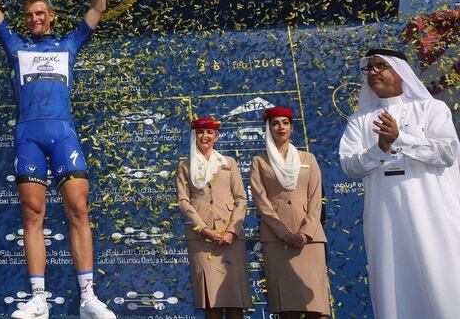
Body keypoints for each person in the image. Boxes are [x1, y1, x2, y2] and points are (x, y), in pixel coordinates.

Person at [0, 0, 115, 319]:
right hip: (28, 136)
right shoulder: (15, 46)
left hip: (62, 133)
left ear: (51, 16)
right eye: (30, 15)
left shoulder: (69, 44)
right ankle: (39, 298)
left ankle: (87, 296)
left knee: (77, 209)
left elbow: (97, 9)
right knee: (32, 214)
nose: (35, 19)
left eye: (42, 13)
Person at [339, 48, 460, 318]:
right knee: (394, 282)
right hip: (386, 215)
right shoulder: (359, 121)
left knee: (442, 278)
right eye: (369, 68)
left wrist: (400, 139)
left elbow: (447, 153)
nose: (373, 73)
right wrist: (379, 149)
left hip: (431, 210)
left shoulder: (431, 108)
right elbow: (349, 164)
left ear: (400, 72)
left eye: (380, 66)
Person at [249, 108, 329, 319]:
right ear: (268, 129)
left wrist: (305, 233)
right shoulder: (259, 162)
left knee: (317, 308)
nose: (281, 127)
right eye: (275, 123)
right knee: (288, 309)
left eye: (285, 123)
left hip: (310, 240)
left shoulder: (308, 158)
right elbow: (262, 202)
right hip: (277, 241)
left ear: (292, 128)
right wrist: (284, 233)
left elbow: (315, 198)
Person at [176, 116, 251, 319]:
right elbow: (184, 202)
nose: (205, 136)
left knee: (236, 300)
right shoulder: (185, 166)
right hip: (202, 240)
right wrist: (204, 229)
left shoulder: (228, 163)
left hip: (230, 238)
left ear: (216, 136)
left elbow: (241, 199)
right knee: (211, 302)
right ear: (194, 136)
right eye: (200, 132)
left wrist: (231, 231)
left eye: (209, 132)